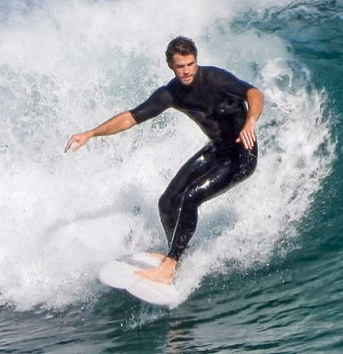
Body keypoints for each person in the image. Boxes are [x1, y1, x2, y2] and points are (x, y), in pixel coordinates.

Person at [65, 36, 264, 284]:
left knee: (190, 196)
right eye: (180, 66)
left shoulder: (215, 79)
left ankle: (170, 264)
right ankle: (177, 254)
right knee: (167, 202)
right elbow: (130, 117)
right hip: (218, 150)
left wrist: (250, 122)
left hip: (242, 155)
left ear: (196, 61)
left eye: (190, 64)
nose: (187, 70)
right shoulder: (171, 94)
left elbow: (254, 93)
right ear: (171, 66)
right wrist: (91, 133)